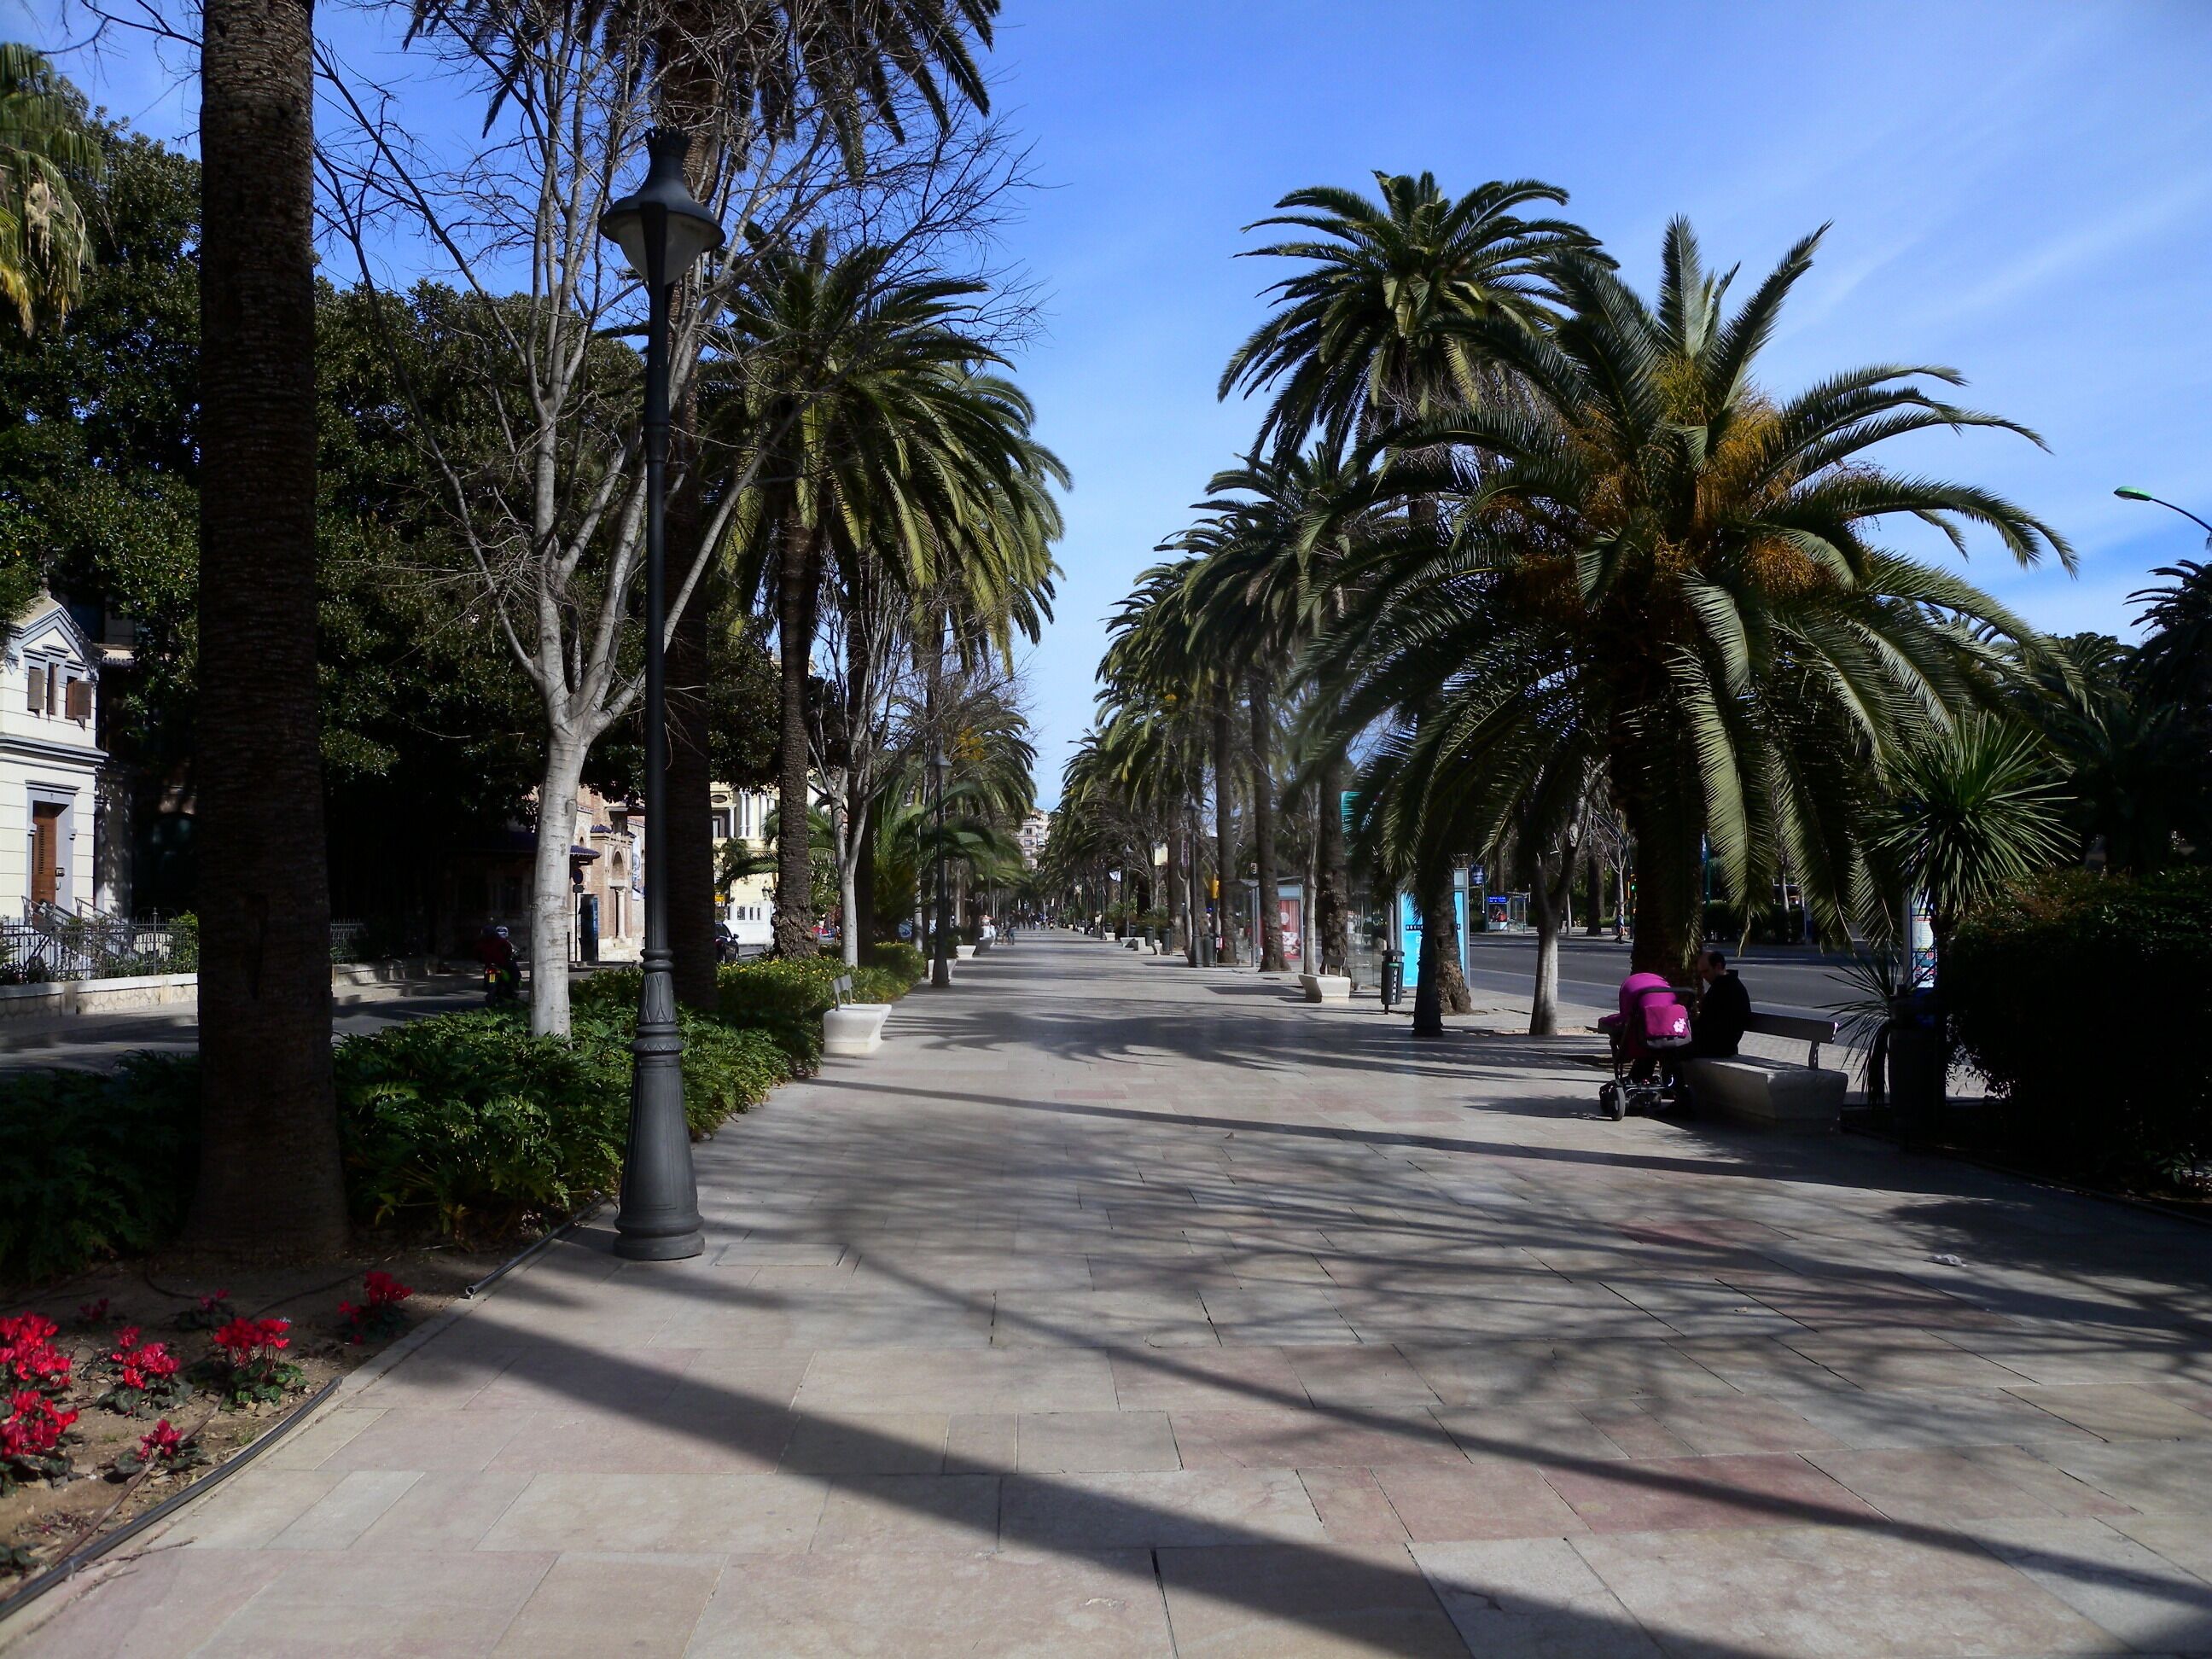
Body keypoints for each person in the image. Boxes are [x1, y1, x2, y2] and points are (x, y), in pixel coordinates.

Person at [1689, 948, 1749, 1057]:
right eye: (1701, 973)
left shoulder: (1724, 989)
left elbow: (1710, 1023)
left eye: (1706, 971)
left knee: (1671, 1049)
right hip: (1723, 1045)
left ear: (1718, 967)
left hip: (1717, 1046)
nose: (1703, 976)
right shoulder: (1731, 984)